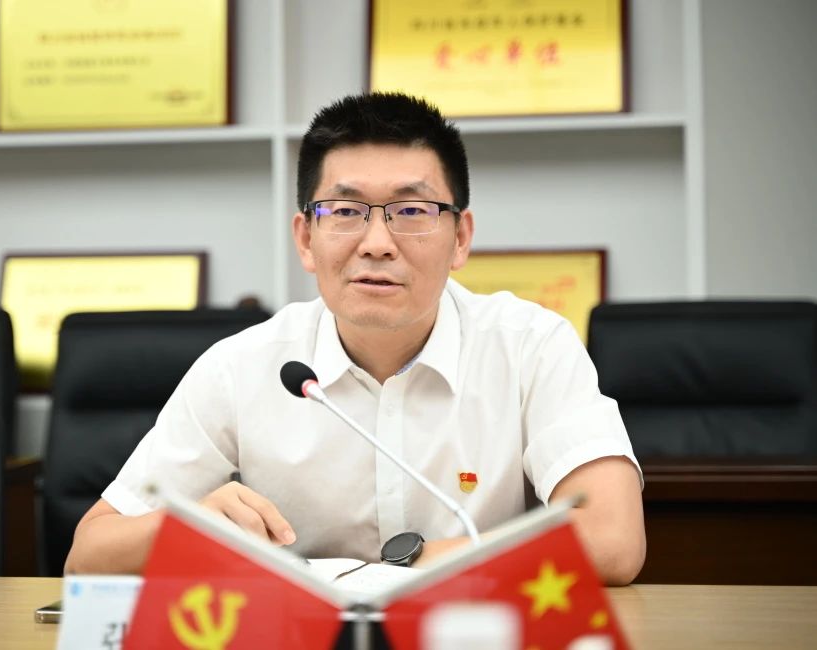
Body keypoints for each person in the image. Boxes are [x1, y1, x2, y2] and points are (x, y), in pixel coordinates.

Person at [65, 93, 645, 585]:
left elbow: (613, 539)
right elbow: (88, 555)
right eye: (345, 211)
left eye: (411, 211)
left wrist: (401, 570)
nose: (377, 243)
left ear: (461, 238)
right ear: (306, 238)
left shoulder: (530, 347)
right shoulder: (240, 367)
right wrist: (186, 529)